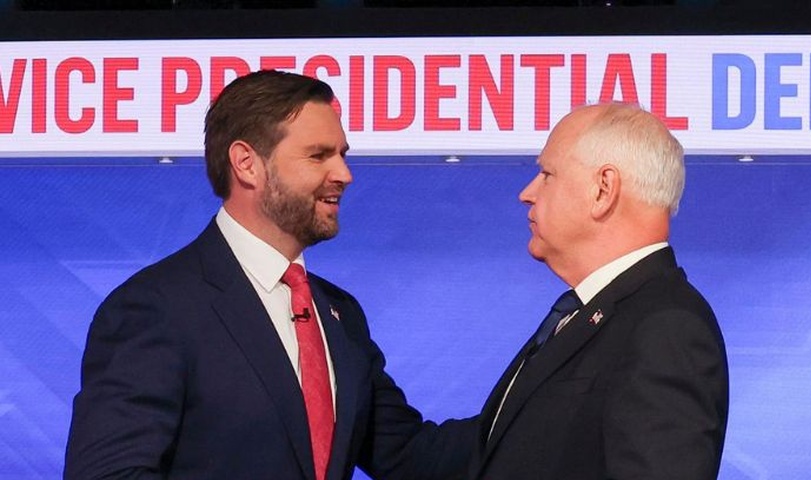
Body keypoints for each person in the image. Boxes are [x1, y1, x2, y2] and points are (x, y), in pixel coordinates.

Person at [64, 70, 473, 480]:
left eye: (342, 154)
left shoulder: (340, 315)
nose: (344, 174)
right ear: (247, 164)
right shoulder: (156, 308)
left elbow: (413, 456)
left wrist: (532, 397)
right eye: (319, 156)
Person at [468, 103, 729, 479]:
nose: (527, 193)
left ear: (603, 189)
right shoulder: (593, 314)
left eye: (547, 174)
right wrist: (353, 373)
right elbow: (491, 449)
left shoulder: (667, 328)